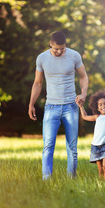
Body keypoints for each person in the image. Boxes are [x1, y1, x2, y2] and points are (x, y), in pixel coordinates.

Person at [28, 31, 88, 180]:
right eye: (56, 49)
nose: (60, 51)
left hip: (71, 106)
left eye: (62, 48)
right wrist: (31, 104)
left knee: (72, 147)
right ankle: (46, 178)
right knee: (48, 146)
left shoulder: (74, 56)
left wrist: (83, 94)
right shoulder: (42, 58)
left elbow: (83, 76)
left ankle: (71, 179)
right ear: (50, 44)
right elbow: (38, 83)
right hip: (51, 107)